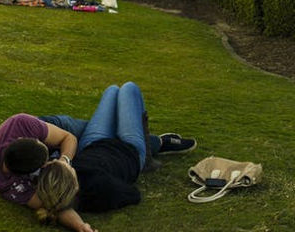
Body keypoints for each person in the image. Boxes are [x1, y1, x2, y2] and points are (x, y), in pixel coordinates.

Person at [34, 83, 196, 228]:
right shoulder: (102, 189)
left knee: (112, 90)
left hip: (93, 142)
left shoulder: (55, 188)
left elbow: (56, 204)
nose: (68, 163)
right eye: (69, 168)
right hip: (129, 150)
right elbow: (133, 195)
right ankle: (149, 152)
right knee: (128, 88)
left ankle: (157, 141)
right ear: (75, 184)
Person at [0, 114, 87, 230]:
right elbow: (54, 205)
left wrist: (64, 160)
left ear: (21, 139)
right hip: (52, 154)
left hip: (52, 126)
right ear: (35, 171)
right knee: (98, 136)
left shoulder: (20, 124)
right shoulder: (11, 186)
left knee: (88, 127)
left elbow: (68, 138)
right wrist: (80, 225)